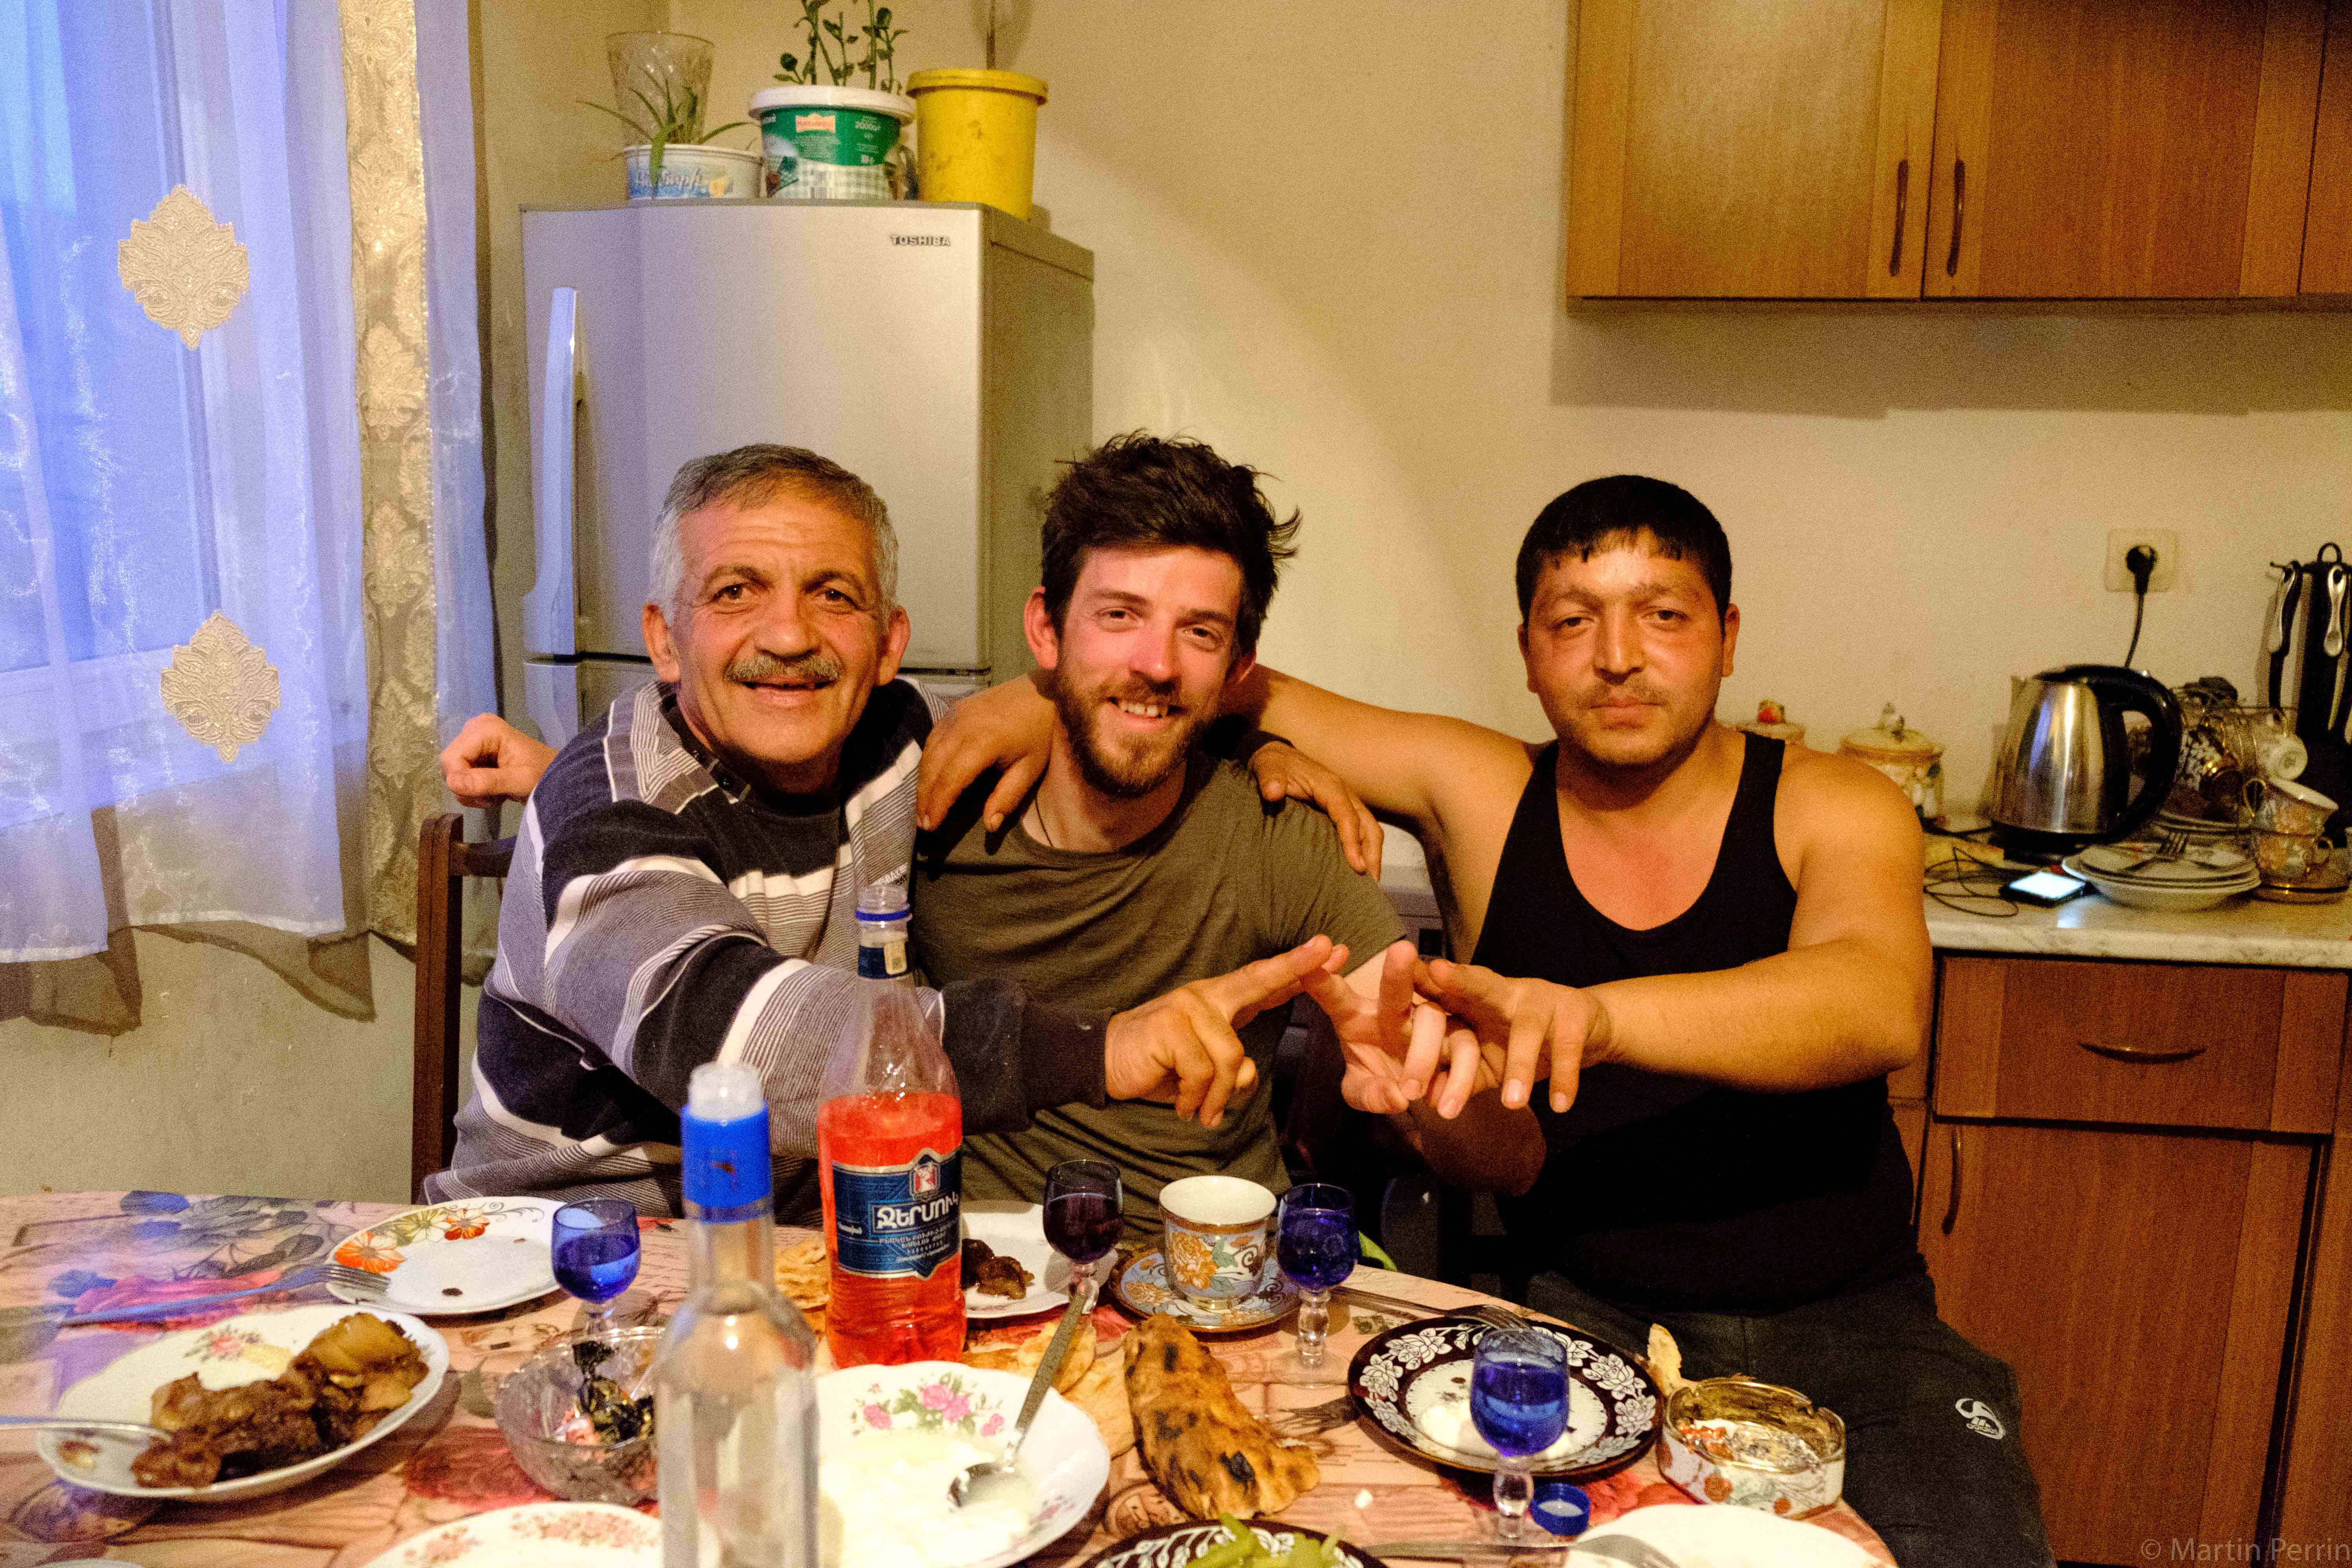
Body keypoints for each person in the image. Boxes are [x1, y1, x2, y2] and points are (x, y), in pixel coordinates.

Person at [915, 475, 2054, 1568]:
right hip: (1580, 1314)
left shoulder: (1829, 799)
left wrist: (1595, 1019)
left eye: (1664, 615)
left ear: (1728, 636)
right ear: (1527, 648)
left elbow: (1876, 1001)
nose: (1619, 655)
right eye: (1574, 620)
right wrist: (1034, 692)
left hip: (1856, 1323)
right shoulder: (1487, 788)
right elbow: (1216, 679)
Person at [427, 443, 1434, 1219]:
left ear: (888, 643)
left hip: (798, 1248)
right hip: (556, 1257)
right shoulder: (605, 809)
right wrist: (1107, 1047)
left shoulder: (900, 747)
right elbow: (742, 1047)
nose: (789, 635)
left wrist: (1239, 740)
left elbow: (1121, 705)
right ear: (663, 638)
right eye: (735, 591)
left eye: (834, 596)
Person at [913, 433, 1512, 1238]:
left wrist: (1438, 1091)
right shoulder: (929, 813)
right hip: (961, 1266)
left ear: (1237, 669)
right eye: (1119, 615)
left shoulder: (1276, 836)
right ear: (1046, 629)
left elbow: (1508, 1165)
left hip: (1208, 1278)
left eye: (1199, 632)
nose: (1156, 664)